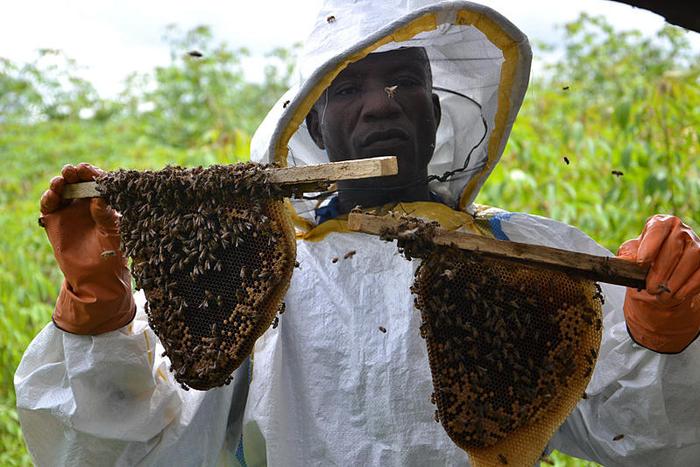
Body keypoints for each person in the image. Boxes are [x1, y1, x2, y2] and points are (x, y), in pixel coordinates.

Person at [16, 1, 700, 465]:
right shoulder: (254, 273)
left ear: (438, 108)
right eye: (348, 88)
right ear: (314, 123)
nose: (382, 102)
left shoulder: (532, 260)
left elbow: (645, 436)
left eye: (405, 79)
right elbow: (144, 449)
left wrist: (663, 339)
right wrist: (98, 314)